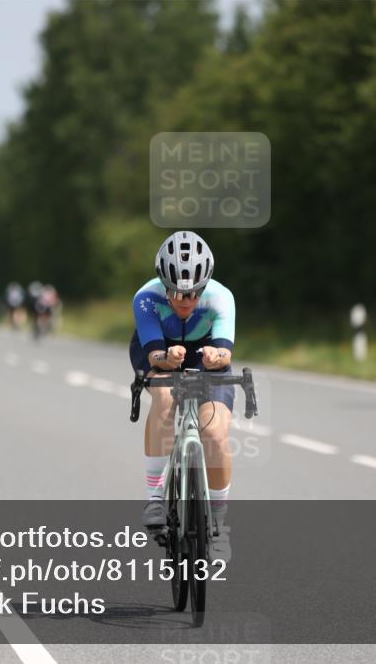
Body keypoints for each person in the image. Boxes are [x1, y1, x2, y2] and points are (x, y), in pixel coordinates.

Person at [131, 231, 235, 563]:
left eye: (193, 293)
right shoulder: (146, 298)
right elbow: (153, 355)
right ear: (163, 283)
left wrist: (213, 359)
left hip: (206, 355)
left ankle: (219, 524)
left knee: (215, 434)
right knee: (163, 398)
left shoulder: (221, 298)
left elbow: (225, 354)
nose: (185, 300)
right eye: (176, 292)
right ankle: (155, 498)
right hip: (159, 351)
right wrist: (166, 357)